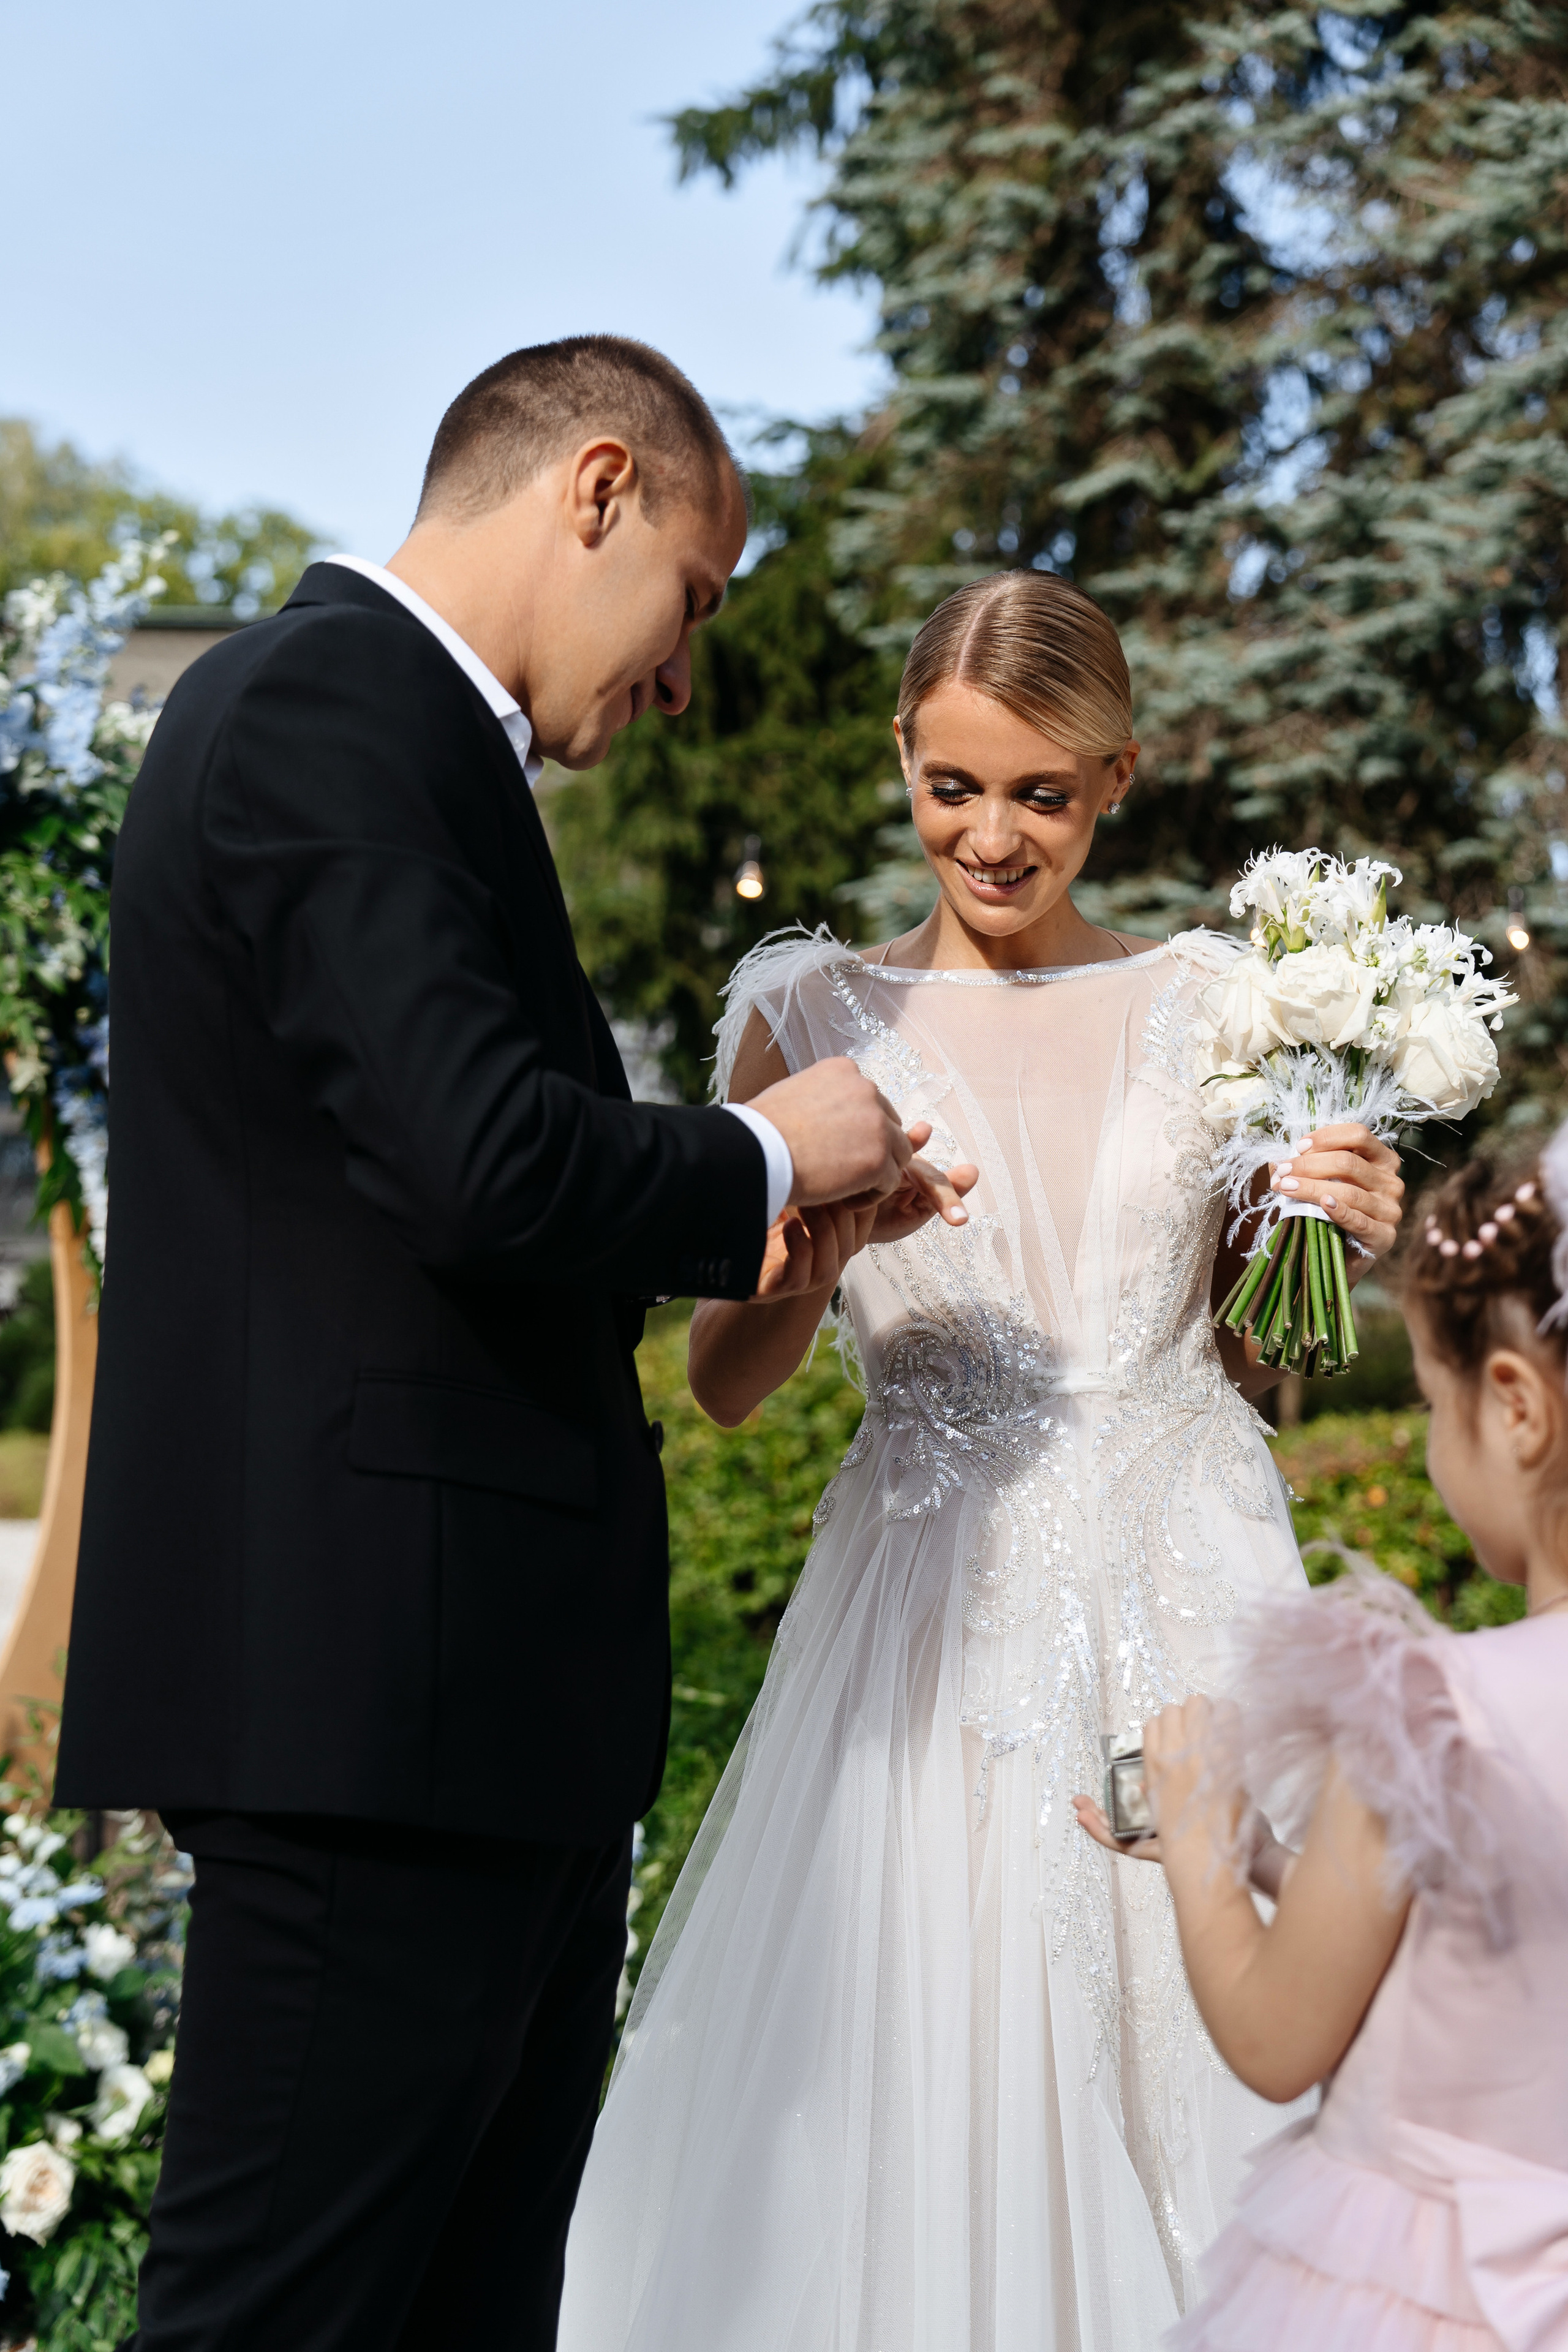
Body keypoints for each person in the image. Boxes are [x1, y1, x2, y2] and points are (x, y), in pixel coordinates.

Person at [53, 336, 962, 2352]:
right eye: (695, 603)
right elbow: (481, 1158)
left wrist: (779, 1213)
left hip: (468, 1722)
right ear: (597, 488)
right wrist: (761, 1149)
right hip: (371, 1716)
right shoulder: (324, 709)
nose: (685, 674)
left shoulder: (408, 740)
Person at [556, 570, 1406, 2350]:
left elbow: (1262, 1353)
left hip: (1191, 1569)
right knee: (926, 2040)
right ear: (901, 763)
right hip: (930, 1612)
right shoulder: (812, 1012)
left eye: (1040, 793)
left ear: (1118, 778)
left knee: (1212, 2043)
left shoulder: (1218, 1005)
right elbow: (722, 1380)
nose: (993, 839)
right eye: (952, 788)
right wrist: (833, 1246)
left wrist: (1326, 1222)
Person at [1096, 1139, 1568, 2352]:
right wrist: (1272, 1865)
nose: (1424, 1436)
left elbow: (1273, 2037)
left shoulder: (1431, 1714)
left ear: (1511, 1405)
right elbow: (1489, 1943)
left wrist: (1202, 1843)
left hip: (1421, 2295)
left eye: (1425, 1397)